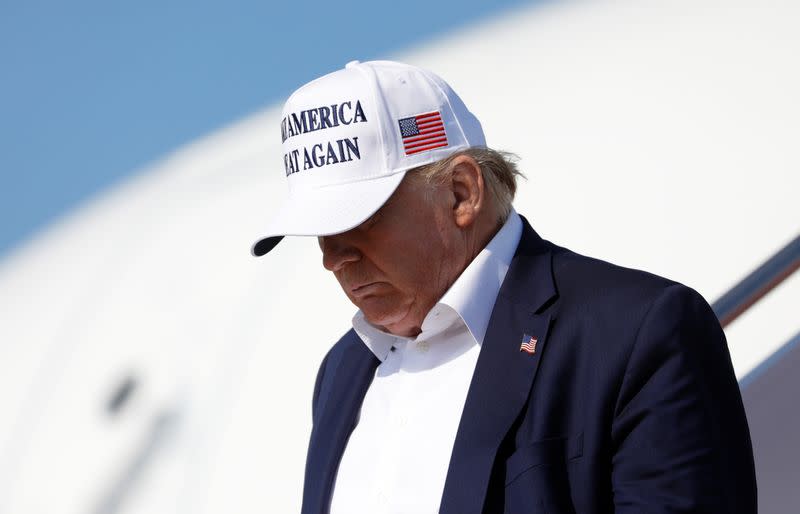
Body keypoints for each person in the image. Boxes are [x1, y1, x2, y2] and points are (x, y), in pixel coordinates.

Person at [251, 60, 757, 513]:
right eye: (319, 228)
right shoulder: (342, 370)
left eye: (357, 219)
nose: (331, 256)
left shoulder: (638, 332)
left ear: (461, 192)